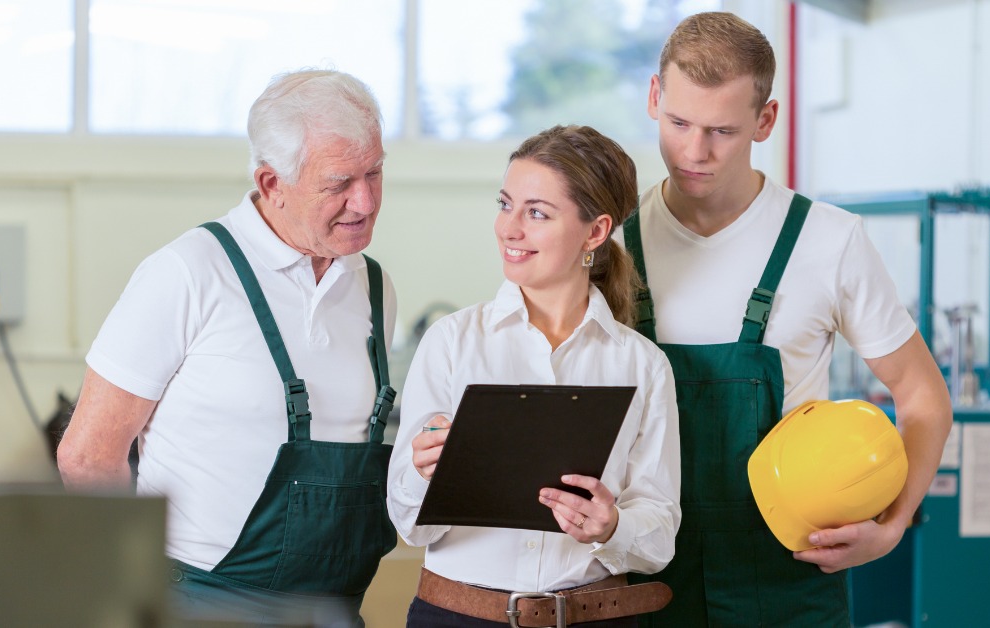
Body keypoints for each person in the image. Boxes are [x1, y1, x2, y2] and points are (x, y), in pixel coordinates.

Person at [620, 12, 953, 627]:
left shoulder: (830, 241)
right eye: (678, 123)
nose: (695, 152)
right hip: (640, 584)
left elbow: (923, 395)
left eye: (722, 130)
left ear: (765, 120)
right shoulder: (612, 245)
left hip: (789, 585)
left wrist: (893, 523)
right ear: (653, 98)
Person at [56, 69, 397, 627]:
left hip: (337, 610)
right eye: (339, 183)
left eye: (375, 174)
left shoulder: (374, 287)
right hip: (200, 605)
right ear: (271, 183)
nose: (364, 201)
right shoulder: (188, 272)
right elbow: (88, 456)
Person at [387, 125, 682, 627]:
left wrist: (612, 528)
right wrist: (420, 473)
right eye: (505, 205)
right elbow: (411, 528)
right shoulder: (452, 343)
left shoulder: (643, 365)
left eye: (537, 213)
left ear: (595, 231)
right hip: (457, 618)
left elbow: (659, 533)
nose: (509, 228)